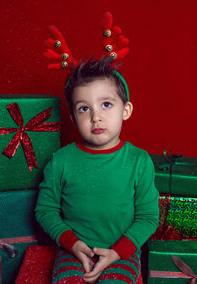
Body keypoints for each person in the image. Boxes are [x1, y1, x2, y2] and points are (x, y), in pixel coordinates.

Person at [35, 56, 159, 284]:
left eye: (106, 104)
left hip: (122, 252)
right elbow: (45, 210)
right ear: (73, 118)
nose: (95, 117)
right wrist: (71, 243)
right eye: (84, 108)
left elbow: (148, 217)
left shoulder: (139, 161)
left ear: (126, 110)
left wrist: (117, 252)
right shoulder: (61, 161)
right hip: (74, 250)